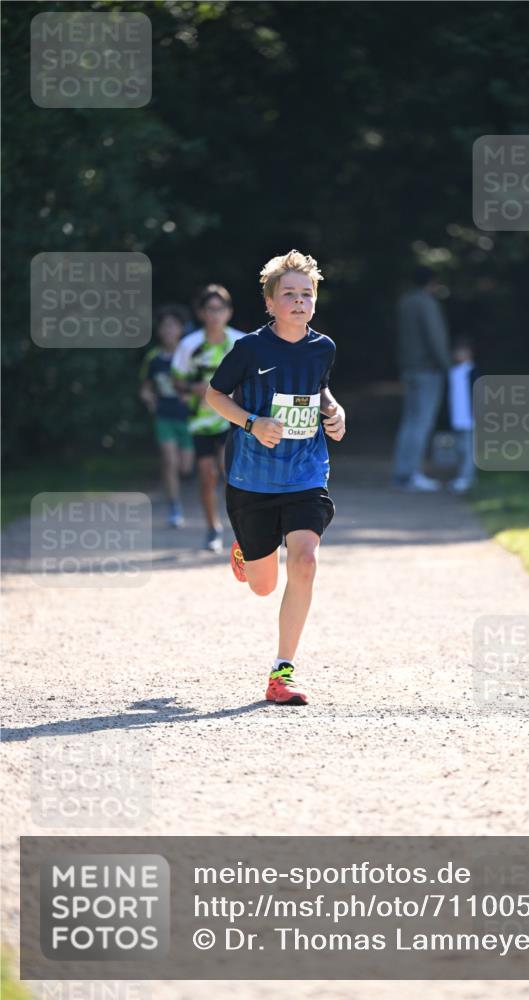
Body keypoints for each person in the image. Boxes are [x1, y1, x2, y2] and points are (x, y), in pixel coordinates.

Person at [205, 250, 345, 705]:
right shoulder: (249, 348)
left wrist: (334, 410)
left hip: (306, 471)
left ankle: (282, 672)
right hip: (252, 478)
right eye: (289, 295)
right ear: (270, 303)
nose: (299, 302)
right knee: (263, 585)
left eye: (307, 295)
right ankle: (246, 549)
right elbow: (214, 395)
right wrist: (251, 423)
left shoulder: (323, 347)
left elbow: (319, 389)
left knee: (304, 560)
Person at [171, 285, 245, 553]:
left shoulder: (241, 342)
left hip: (233, 419)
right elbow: (176, 381)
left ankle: (242, 530)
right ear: (202, 313)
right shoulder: (189, 345)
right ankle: (212, 528)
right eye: (210, 309)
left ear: (229, 312)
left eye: (221, 309)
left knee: (232, 475)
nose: (216, 314)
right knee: (206, 475)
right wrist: (194, 389)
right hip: (201, 421)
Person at [392, 265, 450, 492]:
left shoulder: (404, 302)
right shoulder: (427, 304)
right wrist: (447, 366)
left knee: (409, 422)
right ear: (432, 282)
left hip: (409, 368)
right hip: (428, 370)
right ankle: (412, 474)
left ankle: (402, 472)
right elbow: (435, 338)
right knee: (422, 423)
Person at [139, 305, 194, 527]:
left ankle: (179, 494)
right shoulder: (153, 359)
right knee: (168, 460)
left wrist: (191, 396)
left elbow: (203, 384)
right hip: (164, 417)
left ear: (181, 329)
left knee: (185, 468)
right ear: (159, 331)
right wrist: (149, 399)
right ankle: (174, 505)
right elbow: (145, 387)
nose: (169, 330)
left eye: (173, 326)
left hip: (188, 419)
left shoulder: (190, 356)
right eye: (165, 326)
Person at [448, 337, 479, 494]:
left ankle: (467, 477)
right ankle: (461, 476)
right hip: (457, 417)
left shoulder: (473, 372)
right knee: (459, 448)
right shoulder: (453, 372)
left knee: (468, 449)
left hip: (469, 418)